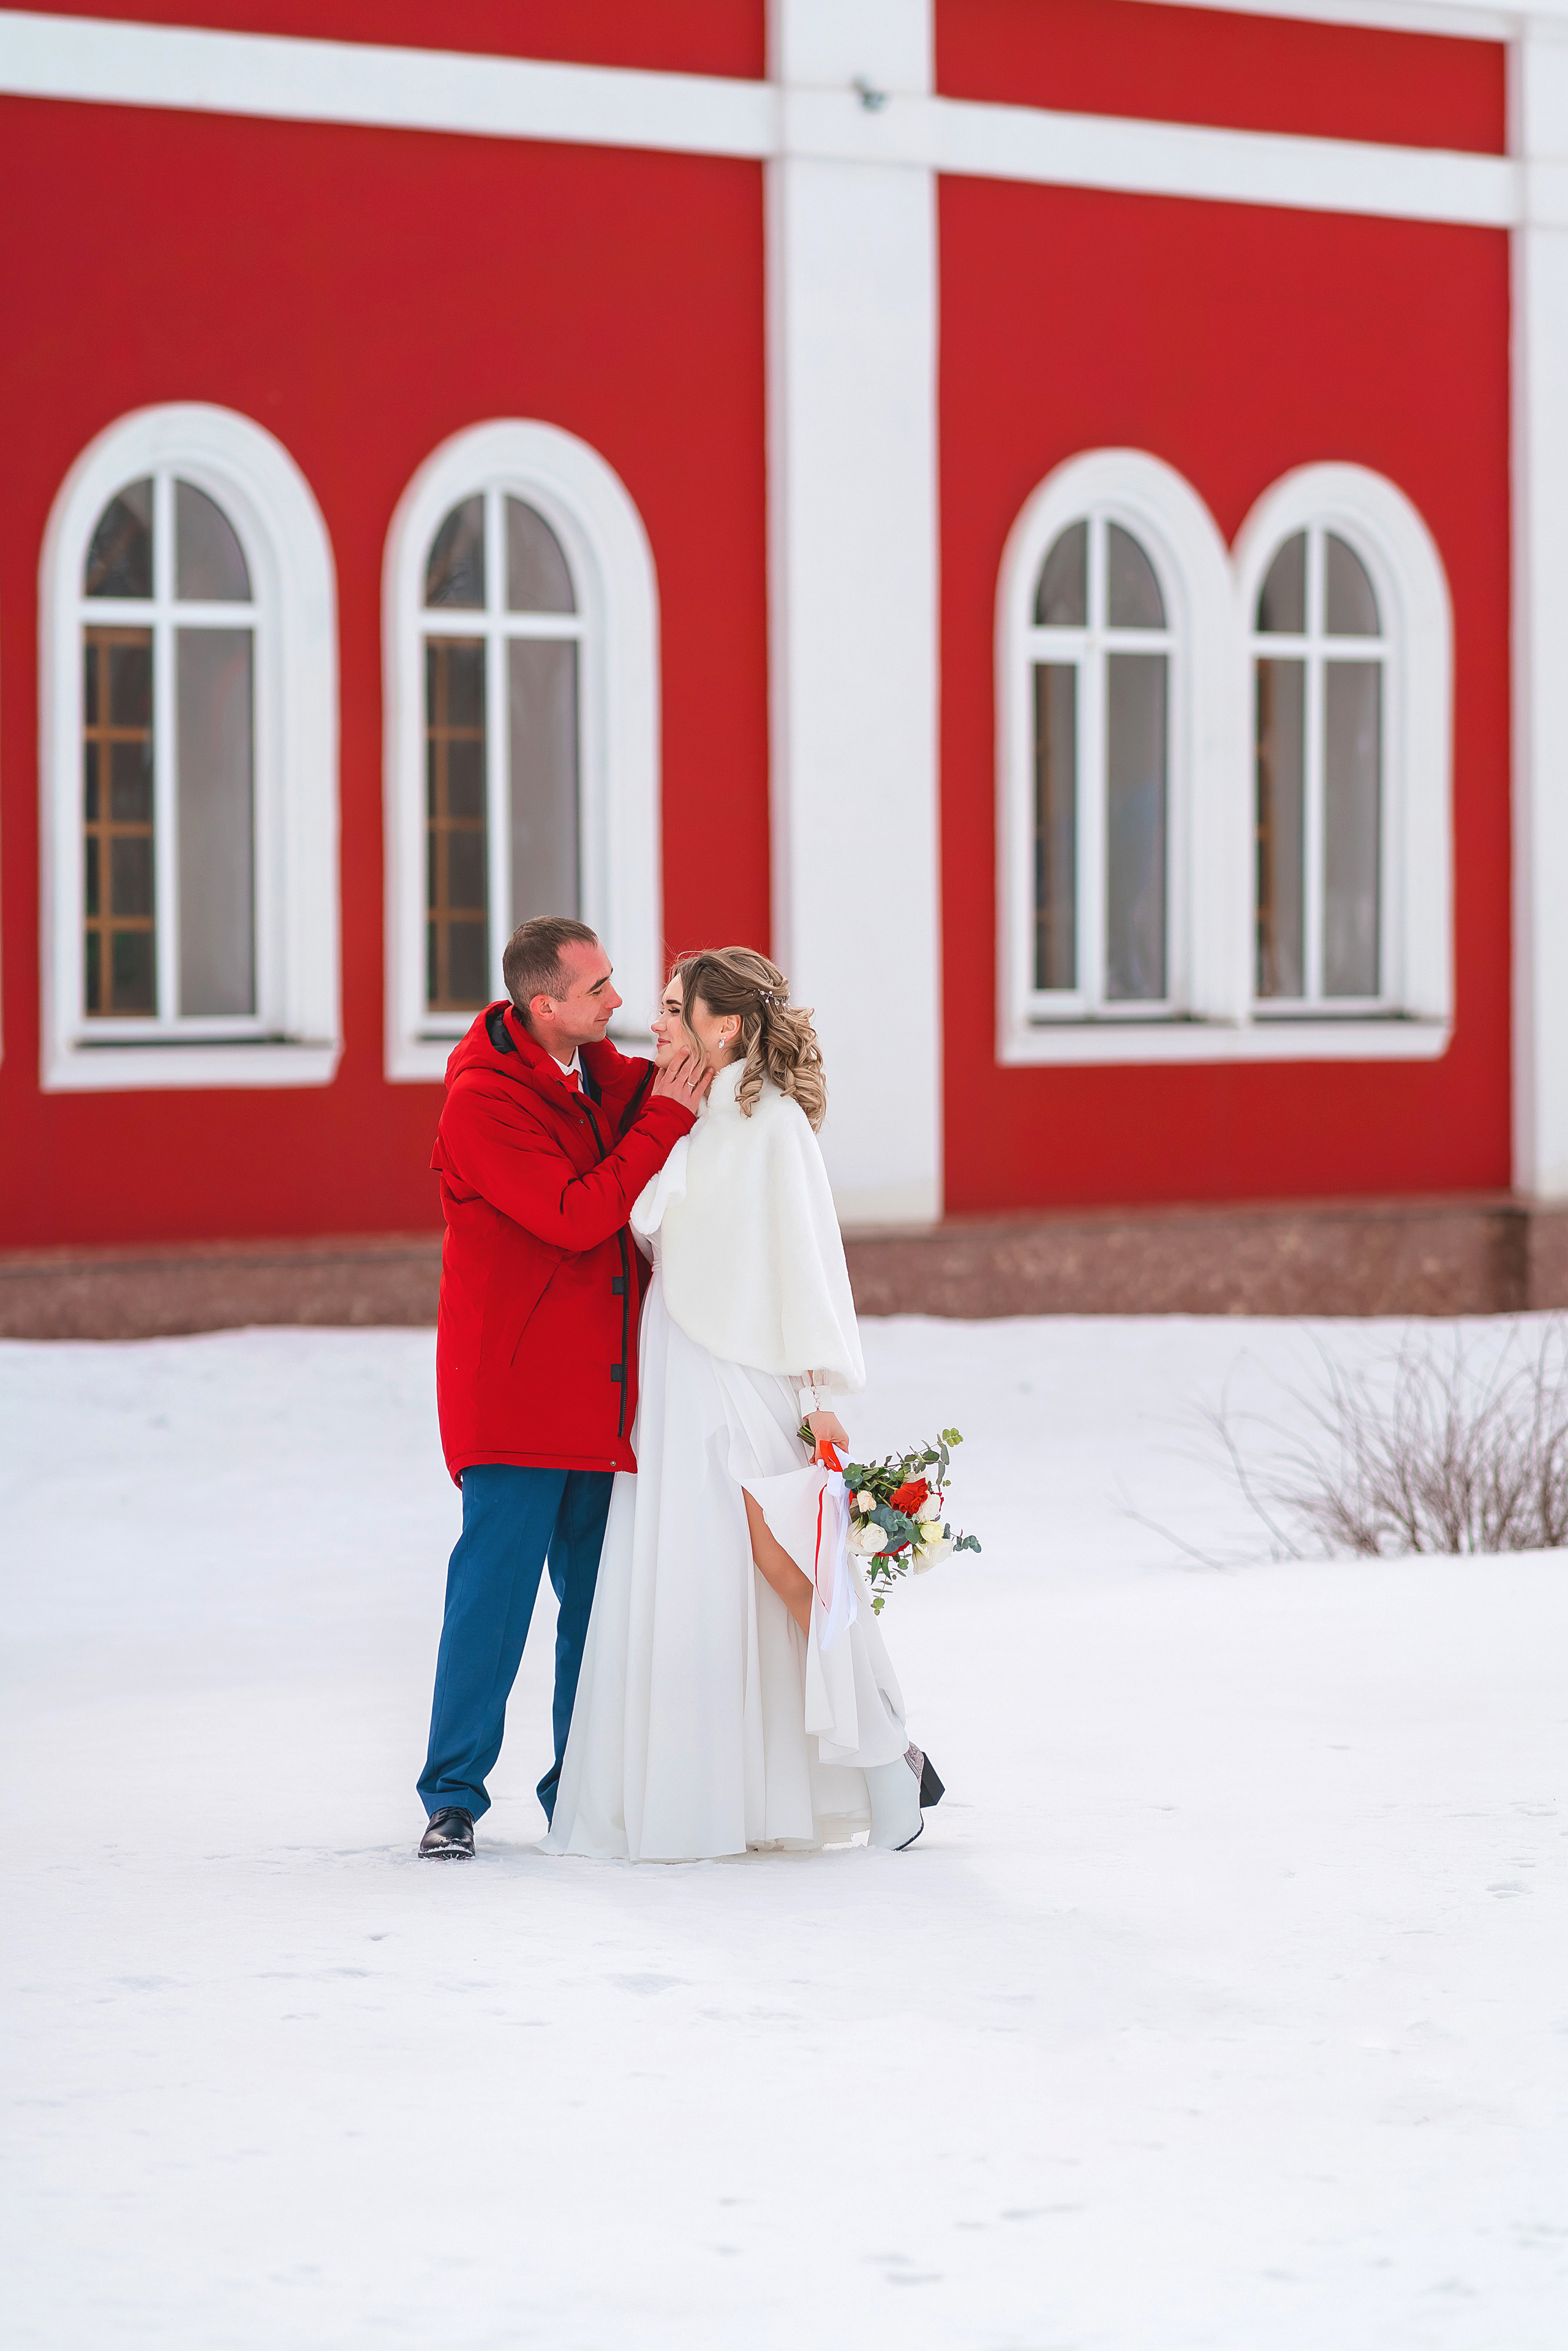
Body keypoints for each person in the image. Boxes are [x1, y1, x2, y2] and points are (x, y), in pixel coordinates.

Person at [545, 946, 943, 1862]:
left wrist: (819, 1394)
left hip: (748, 1375)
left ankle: (890, 1764)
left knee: (791, 1571)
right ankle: (719, 1793)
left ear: (724, 1025)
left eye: (674, 1008)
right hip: (675, 1377)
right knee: (696, 1574)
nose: (656, 1023)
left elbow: (809, 1264)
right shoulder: (679, 1117)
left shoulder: (776, 1127)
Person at [417, 916, 711, 1859]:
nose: (619, 1001)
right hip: (515, 1398)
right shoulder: (481, 1104)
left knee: (597, 1607)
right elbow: (578, 1216)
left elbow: (680, 1083)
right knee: (493, 1608)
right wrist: (665, 1121)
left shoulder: (596, 1071)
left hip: (602, 1393)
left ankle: (575, 1791)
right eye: (599, 990)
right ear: (545, 1006)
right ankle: (452, 1797)